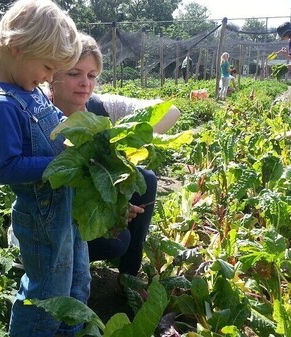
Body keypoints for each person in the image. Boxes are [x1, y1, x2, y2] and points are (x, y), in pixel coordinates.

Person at [0, 1, 89, 336]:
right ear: (17, 47)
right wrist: (63, 163)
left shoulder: (30, 89)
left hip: (66, 210)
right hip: (41, 219)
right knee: (46, 295)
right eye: (47, 67)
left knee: (77, 282)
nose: (49, 78)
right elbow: (7, 167)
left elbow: (55, 130)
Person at [49, 33, 180, 282]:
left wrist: (124, 147)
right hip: (55, 215)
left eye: (91, 75)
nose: (85, 83)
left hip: (91, 201)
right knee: (116, 243)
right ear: (52, 75)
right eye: (74, 73)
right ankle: (64, 272)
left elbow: (171, 111)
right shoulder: (42, 115)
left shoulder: (101, 107)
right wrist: (113, 207)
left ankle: (129, 279)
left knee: (147, 179)